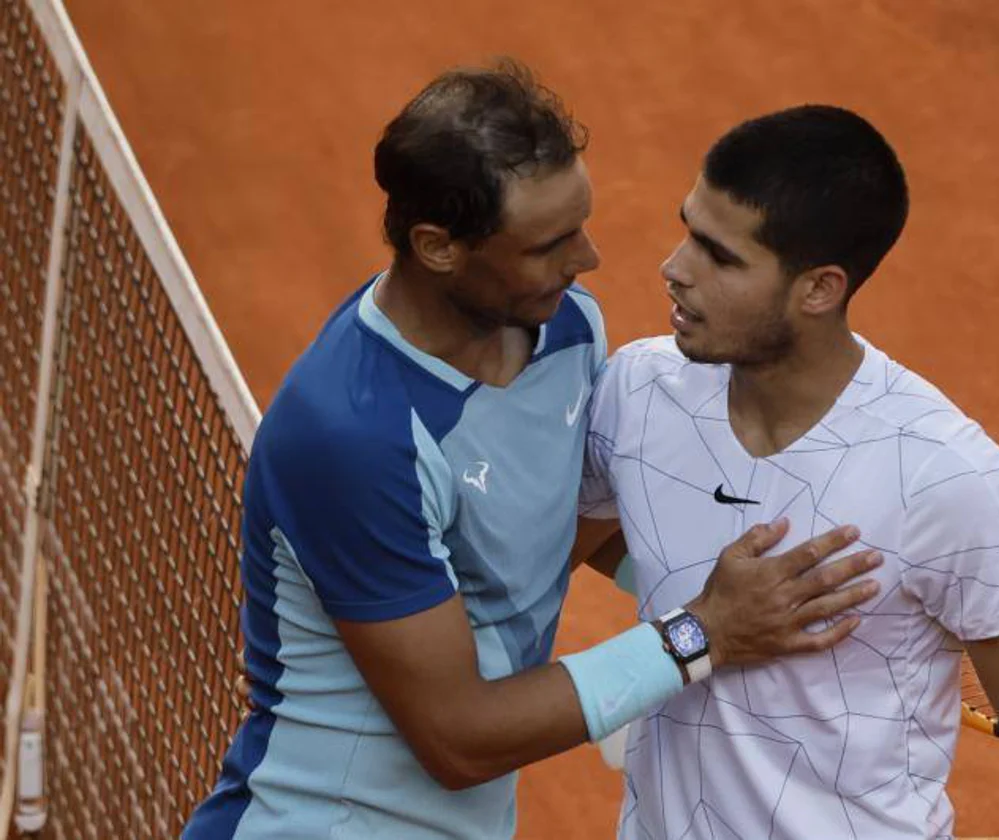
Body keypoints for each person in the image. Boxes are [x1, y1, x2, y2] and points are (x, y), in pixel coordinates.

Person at [182, 62, 883, 839]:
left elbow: (551, 528)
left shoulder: (567, 327)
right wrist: (701, 632)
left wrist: (782, 598)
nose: (588, 260)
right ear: (438, 246)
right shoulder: (351, 436)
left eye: (580, 224)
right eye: (550, 243)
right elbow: (459, 738)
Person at [579, 105, 999, 839]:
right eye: (688, 229)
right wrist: (718, 615)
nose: (676, 269)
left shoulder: (943, 479)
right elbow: (572, 548)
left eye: (720, 256)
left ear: (820, 289)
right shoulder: (638, 392)